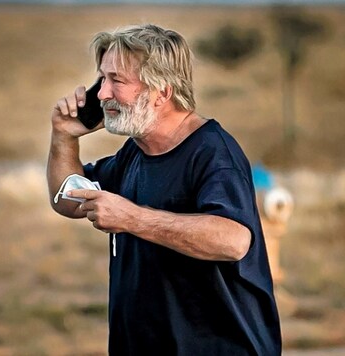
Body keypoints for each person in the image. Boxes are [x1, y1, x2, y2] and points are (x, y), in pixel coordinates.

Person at [46, 24, 281, 355]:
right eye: (103, 79)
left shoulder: (213, 153)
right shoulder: (135, 153)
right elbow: (68, 200)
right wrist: (64, 136)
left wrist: (132, 219)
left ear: (162, 91)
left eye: (117, 81)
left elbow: (233, 240)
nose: (101, 94)